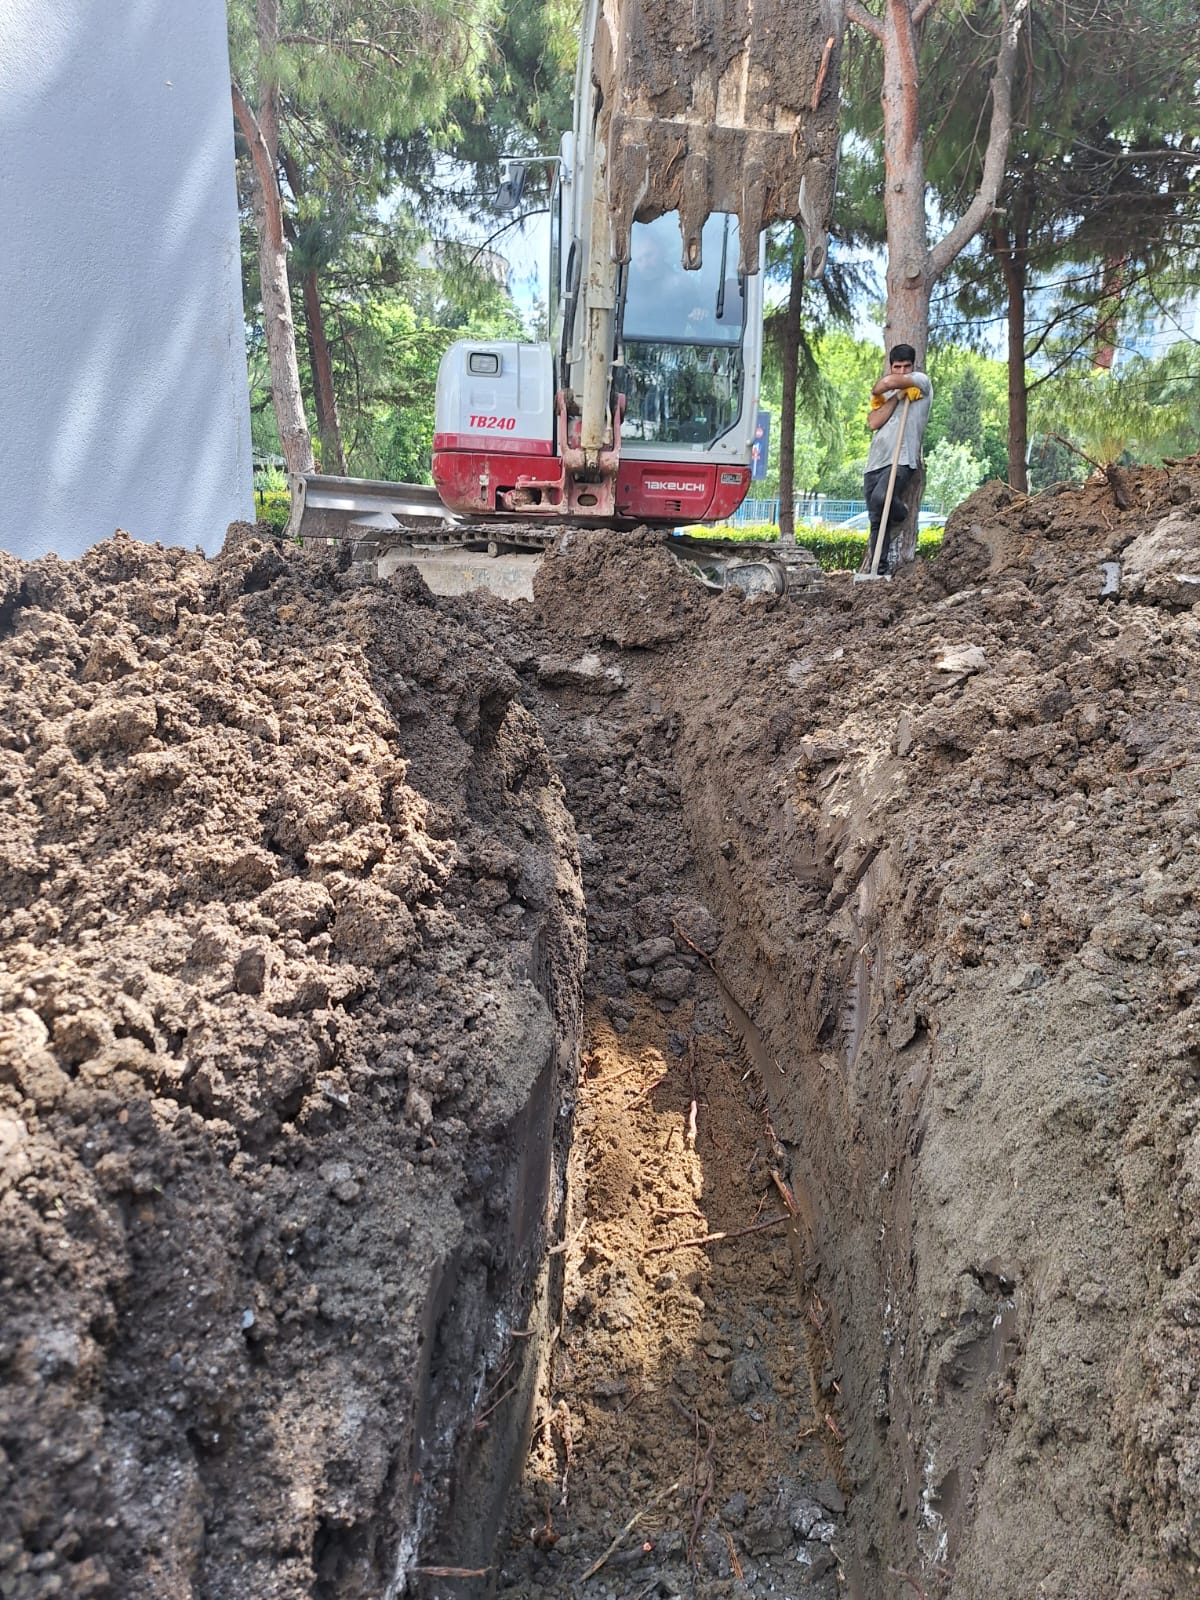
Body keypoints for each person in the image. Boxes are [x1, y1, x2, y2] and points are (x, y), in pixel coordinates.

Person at [863, 344, 932, 575]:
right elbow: (873, 422)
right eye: (897, 367)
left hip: (901, 459)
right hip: (875, 462)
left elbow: (886, 383)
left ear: (913, 366)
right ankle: (878, 570)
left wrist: (896, 387)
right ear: (890, 366)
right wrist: (895, 398)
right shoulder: (889, 397)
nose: (902, 372)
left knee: (882, 498)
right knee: (875, 518)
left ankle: (900, 512)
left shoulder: (921, 383)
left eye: (906, 367)